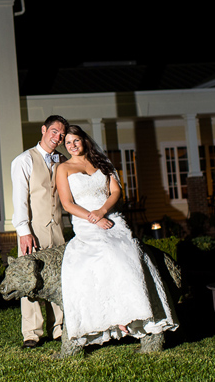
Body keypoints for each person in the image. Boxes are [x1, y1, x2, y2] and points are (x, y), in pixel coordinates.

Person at [56, 124, 178, 348]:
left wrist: (103, 212)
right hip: (85, 222)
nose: (72, 146)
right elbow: (67, 204)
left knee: (127, 251)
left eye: (76, 141)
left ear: (84, 141)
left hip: (112, 216)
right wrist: (94, 218)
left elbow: (116, 192)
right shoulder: (63, 168)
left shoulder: (103, 163)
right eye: (68, 143)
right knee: (105, 252)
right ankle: (116, 318)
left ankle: (135, 313)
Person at [10, 114, 69, 348]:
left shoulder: (62, 160)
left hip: (57, 227)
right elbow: (20, 199)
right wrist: (24, 230)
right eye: (54, 131)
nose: (58, 137)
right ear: (44, 130)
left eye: (62, 134)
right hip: (33, 229)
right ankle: (32, 333)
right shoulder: (24, 160)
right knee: (30, 279)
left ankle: (59, 327)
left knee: (58, 277)